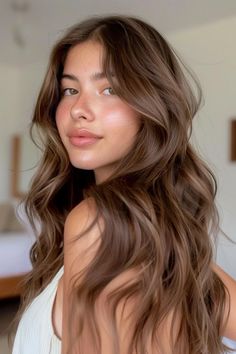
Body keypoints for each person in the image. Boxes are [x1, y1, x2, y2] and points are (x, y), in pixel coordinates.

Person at [12, 15, 236, 354]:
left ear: (152, 106)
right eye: (70, 90)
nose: (79, 110)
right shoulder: (172, 243)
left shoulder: (97, 222)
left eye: (109, 89)